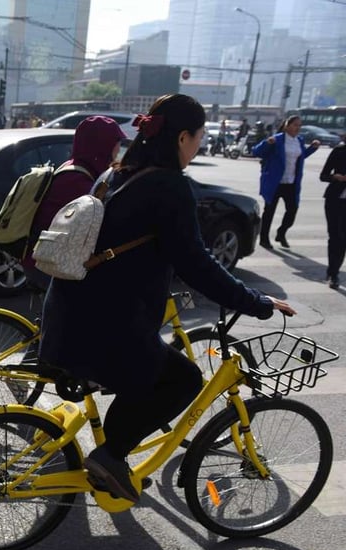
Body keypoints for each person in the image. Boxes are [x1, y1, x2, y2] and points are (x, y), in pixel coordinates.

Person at [38, 94, 294, 504]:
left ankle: (112, 456)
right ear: (181, 137)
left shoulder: (116, 172)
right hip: (104, 326)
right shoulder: (169, 186)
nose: (199, 146)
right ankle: (111, 456)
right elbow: (195, 263)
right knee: (183, 379)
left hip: (70, 312)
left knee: (149, 371)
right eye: (198, 137)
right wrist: (256, 302)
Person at [22, 116, 126, 291]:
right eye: (116, 142)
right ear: (103, 145)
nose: (118, 149)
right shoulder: (79, 180)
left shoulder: (74, 167)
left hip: (47, 258)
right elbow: (98, 225)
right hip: (51, 264)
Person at [252, 115, 321, 249]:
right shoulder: (277, 140)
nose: (297, 128)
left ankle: (281, 232)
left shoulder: (299, 141)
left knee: (292, 210)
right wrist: (267, 143)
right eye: (295, 125)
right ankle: (264, 238)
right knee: (269, 211)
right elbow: (256, 152)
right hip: (275, 182)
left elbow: (301, 157)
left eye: (299, 126)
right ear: (287, 125)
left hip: (291, 182)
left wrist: (312, 148)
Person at [319, 140, 346, 288]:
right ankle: (333, 273)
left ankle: (334, 271)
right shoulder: (339, 151)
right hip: (335, 200)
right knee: (336, 237)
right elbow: (323, 175)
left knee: (343, 239)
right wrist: (336, 177)